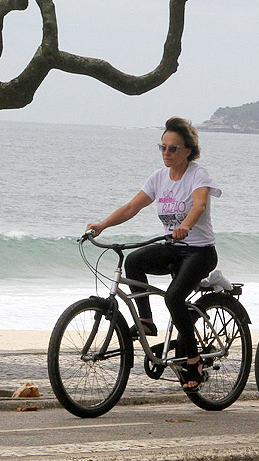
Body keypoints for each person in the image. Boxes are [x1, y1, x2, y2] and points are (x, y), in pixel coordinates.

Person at [86, 117, 221, 392]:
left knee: (173, 298)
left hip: (200, 252)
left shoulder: (198, 175)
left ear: (187, 150)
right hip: (173, 248)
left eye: (173, 148)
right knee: (134, 260)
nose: (167, 154)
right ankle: (146, 321)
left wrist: (186, 225)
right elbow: (131, 207)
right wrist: (102, 225)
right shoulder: (158, 178)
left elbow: (199, 204)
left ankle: (193, 360)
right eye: (163, 147)